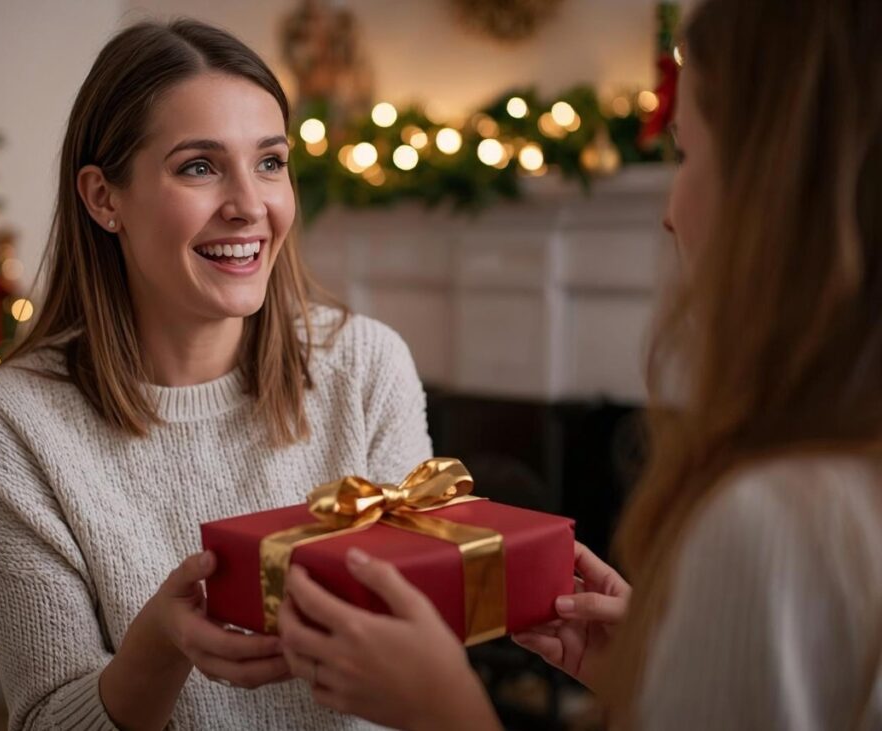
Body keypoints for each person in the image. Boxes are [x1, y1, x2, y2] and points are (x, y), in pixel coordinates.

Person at [277, 0, 882, 728]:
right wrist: (662, 673)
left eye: (687, 154)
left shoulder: (777, 521)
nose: (668, 210)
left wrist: (449, 710)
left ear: (778, 190)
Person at [0, 19, 431, 731]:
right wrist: (161, 644)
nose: (250, 205)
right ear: (102, 198)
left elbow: (427, 667)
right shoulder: (12, 425)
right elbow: (49, 721)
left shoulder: (366, 365)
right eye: (199, 166)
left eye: (270, 162)